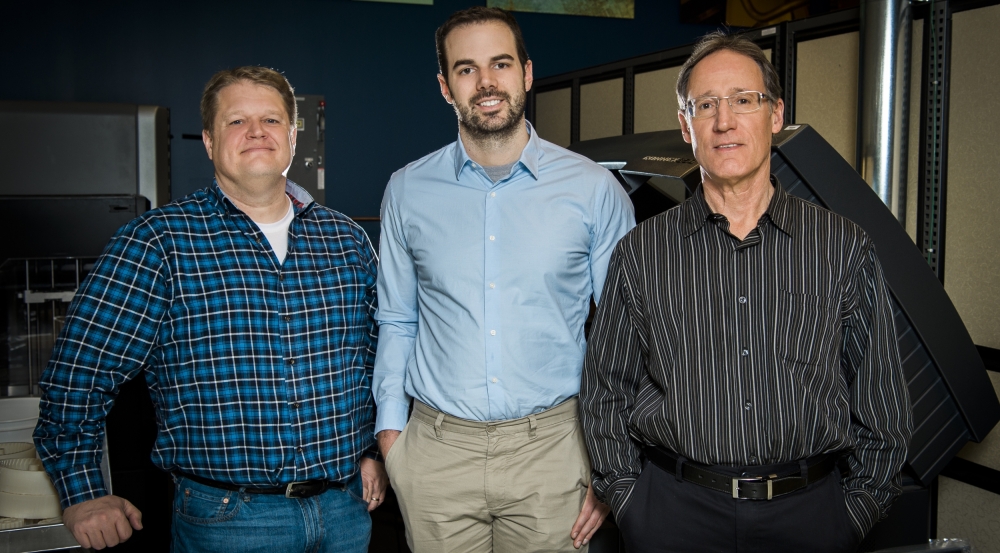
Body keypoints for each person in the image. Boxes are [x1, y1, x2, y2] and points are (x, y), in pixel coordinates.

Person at [579, 32, 912, 553]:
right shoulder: (642, 253)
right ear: (686, 125)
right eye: (705, 104)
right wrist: (630, 502)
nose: (724, 121)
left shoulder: (842, 246)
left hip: (810, 518)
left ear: (776, 115)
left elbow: (882, 404)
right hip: (674, 518)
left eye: (743, 100)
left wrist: (849, 517)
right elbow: (605, 392)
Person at [33, 66, 387, 552]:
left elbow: (372, 361)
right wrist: (82, 493)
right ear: (208, 140)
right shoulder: (159, 243)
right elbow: (79, 371)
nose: (257, 131)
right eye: (236, 121)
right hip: (228, 522)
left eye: (271, 119)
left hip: (345, 511)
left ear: (292, 135)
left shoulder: (346, 240)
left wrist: (370, 451)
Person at [373, 7, 635, 552]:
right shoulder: (406, 190)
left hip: (554, 453)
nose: (486, 82)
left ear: (527, 73)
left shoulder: (594, 191)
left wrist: (614, 464)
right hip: (436, 453)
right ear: (446, 86)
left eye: (500, 64)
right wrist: (392, 438)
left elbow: (624, 336)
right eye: (467, 69)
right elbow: (398, 318)